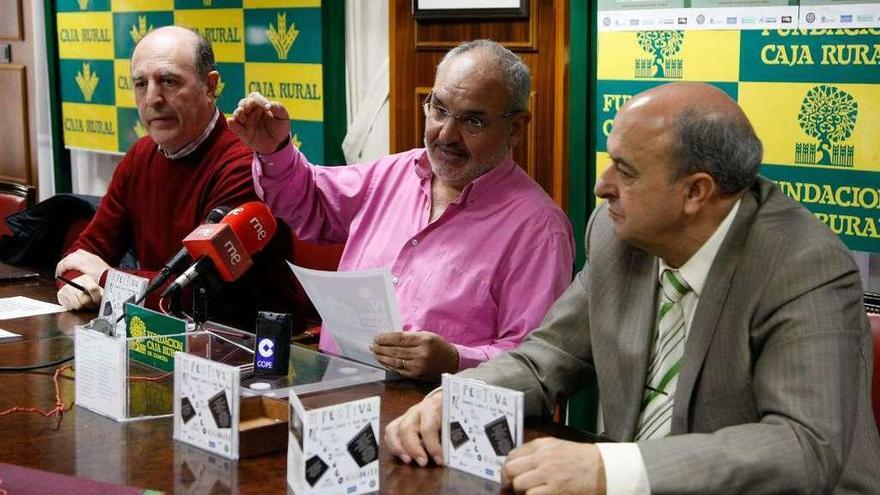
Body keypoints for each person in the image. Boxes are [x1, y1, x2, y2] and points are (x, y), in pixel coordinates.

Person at [385, 82, 880, 494]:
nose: (602, 187)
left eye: (625, 171)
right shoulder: (618, 232)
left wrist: (610, 469)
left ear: (695, 192)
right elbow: (546, 358)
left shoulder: (803, 265)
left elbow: (803, 445)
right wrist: (457, 397)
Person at [229, 39, 574, 380]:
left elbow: (533, 363)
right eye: (439, 110)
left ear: (515, 127)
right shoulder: (395, 173)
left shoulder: (539, 230)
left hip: (438, 418)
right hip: (338, 395)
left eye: (473, 122)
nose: (446, 134)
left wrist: (455, 361)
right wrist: (274, 149)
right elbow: (309, 201)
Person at [56, 26, 304, 332]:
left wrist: (105, 278)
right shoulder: (140, 155)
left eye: (168, 81)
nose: (152, 99)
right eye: (140, 84)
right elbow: (81, 256)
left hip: (249, 346)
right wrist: (77, 282)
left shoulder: (244, 165)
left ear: (210, 86)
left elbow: (194, 294)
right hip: (165, 339)